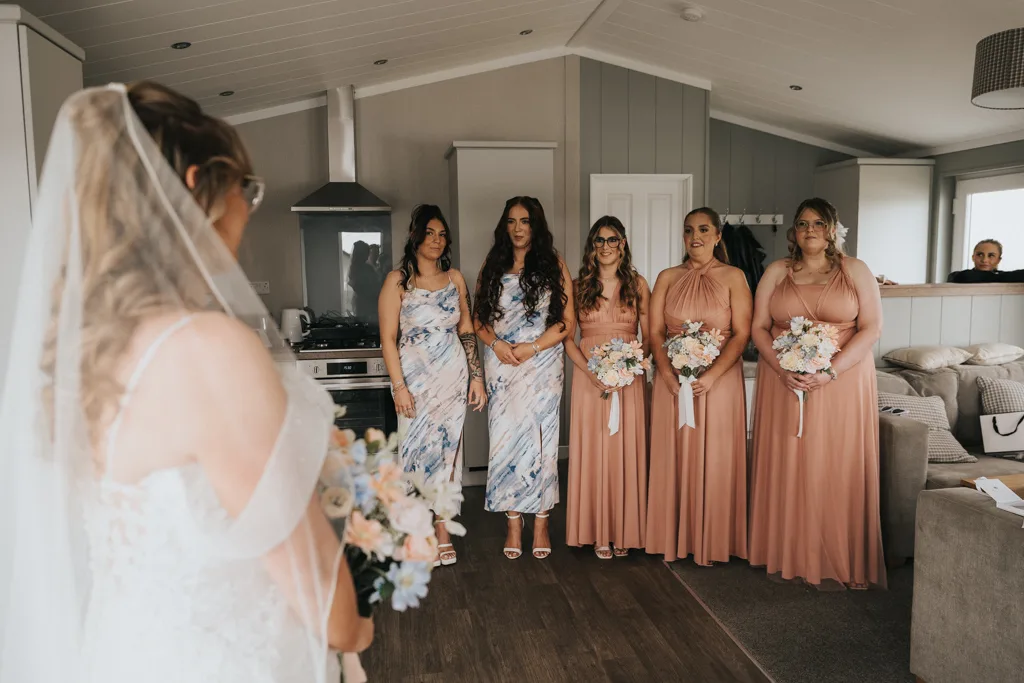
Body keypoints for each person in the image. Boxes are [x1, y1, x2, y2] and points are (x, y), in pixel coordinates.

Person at [0, 82, 372, 683]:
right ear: (201, 188)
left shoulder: (83, 355)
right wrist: (357, 632)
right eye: (245, 191)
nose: (248, 211)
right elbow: (319, 596)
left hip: (121, 652)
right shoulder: (207, 352)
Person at [748, 197, 886, 590]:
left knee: (835, 464)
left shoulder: (855, 270)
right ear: (794, 231)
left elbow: (871, 329)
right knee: (790, 461)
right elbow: (759, 328)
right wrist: (781, 368)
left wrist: (829, 371)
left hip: (842, 383)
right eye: (803, 223)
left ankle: (843, 558)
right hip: (784, 382)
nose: (810, 230)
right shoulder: (776, 271)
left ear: (832, 230)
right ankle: (789, 550)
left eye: (819, 223)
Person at [378, 204, 486, 568]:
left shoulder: (455, 279)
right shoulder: (397, 281)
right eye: (430, 233)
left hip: (452, 381)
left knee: (447, 457)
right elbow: (388, 339)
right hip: (414, 383)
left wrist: (477, 376)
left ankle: (443, 530)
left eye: (442, 235)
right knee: (413, 455)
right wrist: (399, 387)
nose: (437, 240)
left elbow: (467, 329)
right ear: (415, 236)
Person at [645, 208, 751, 566]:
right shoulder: (667, 277)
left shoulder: (735, 276)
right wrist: (668, 376)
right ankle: (671, 535)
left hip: (718, 383)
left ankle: (715, 538)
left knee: (717, 455)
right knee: (672, 453)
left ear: (718, 236)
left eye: (704, 230)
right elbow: (656, 332)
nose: (696, 237)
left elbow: (742, 334)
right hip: (671, 383)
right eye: (689, 230)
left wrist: (711, 375)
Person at [474, 196, 573, 561]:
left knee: (543, 444)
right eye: (512, 221)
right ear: (505, 225)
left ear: (536, 225)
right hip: (502, 365)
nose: (518, 228)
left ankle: (542, 520)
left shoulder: (553, 264)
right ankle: (513, 521)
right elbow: (478, 320)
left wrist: (532, 347)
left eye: (525, 221)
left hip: (542, 364)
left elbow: (566, 322)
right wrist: (497, 344)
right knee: (505, 443)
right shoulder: (493, 263)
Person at [565, 216, 651, 560]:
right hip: (590, 378)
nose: (605, 246)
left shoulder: (639, 284)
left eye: (612, 240)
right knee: (595, 447)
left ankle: (625, 529)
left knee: (623, 449)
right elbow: (566, 339)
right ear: (592, 246)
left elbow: (652, 336)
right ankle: (597, 530)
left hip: (629, 378)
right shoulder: (577, 286)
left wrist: (629, 366)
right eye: (598, 240)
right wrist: (590, 371)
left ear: (623, 244)